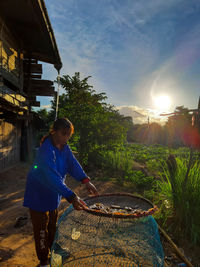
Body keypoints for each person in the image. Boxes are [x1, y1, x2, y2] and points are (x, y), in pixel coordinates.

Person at [23, 118, 98, 267]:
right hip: (38, 195)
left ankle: (54, 249)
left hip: (53, 194)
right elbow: (52, 177)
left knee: (52, 224)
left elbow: (72, 164)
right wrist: (71, 196)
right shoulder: (46, 149)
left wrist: (85, 180)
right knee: (41, 231)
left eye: (68, 135)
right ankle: (43, 260)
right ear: (54, 131)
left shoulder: (64, 147)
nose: (66, 138)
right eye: (64, 133)